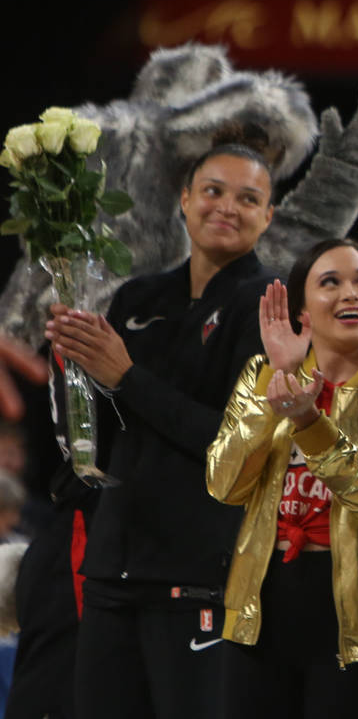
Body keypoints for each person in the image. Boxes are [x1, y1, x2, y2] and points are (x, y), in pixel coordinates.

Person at [41, 138, 279, 719]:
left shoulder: (267, 307)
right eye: (213, 191)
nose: (227, 207)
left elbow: (231, 442)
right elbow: (106, 428)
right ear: (184, 198)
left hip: (198, 579)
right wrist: (74, 368)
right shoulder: (138, 296)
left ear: (268, 215)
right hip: (111, 575)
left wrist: (123, 374)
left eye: (248, 198)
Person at [207, 237, 358, 719]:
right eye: (330, 282)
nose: (350, 293)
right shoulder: (263, 374)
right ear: (302, 308)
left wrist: (310, 424)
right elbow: (223, 485)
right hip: (260, 612)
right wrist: (276, 378)